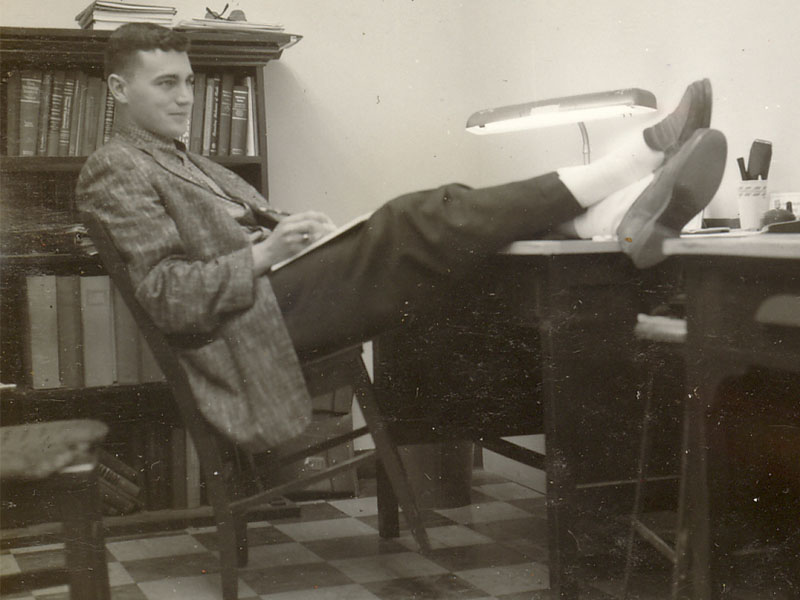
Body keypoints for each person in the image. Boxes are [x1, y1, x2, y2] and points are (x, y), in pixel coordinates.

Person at [77, 24, 727, 452]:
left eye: (189, 81)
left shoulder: (186, 160)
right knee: (416, 219)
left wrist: (297, 233)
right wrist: (269, 253)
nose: (187, 97)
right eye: (167, 83)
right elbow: (165, 295)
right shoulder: (117, 166)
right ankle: (629, 164)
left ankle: (605, 216)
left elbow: (243, 233)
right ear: (118, 88)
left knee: (442, 214)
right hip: (243, 333)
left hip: (274, 296)